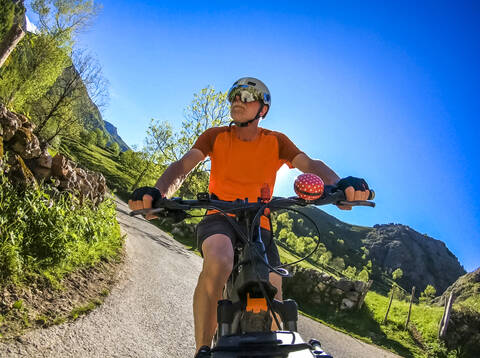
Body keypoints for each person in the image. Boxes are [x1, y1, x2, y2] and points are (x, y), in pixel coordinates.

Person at [128, 77, 371, 357]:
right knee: (219, 260)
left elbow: (310, 164)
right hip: (220, 216)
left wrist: (341, 185)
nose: (237, 100)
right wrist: (158, 192)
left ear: (262, 109)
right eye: (234, 95)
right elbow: (183, 166)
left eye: (247, 96)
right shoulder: (215, 136)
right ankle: (202, 350)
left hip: (260, 223)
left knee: (275, 286)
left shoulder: (276, 141)